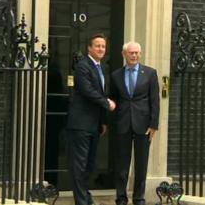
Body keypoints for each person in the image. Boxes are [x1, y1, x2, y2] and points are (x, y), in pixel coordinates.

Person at [66, 33, 116, 205]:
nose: (101, 48)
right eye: (97, 45)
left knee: (89, 165)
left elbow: (100, 92)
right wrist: (107, 103)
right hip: (80, 124)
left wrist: (103, 121)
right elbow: (88, 91)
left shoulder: (100, 68)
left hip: (94, 125)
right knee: (79, 165)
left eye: (103, 46)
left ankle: (85, 196)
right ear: (89, 48)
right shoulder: (83, 66)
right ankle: (82, 201)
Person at [110, 42, 160, 205]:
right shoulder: (116, 75)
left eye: (137, 53)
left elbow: (155, 100)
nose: (134, 56)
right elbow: (113, 100)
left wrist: (154, 124)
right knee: (122, 164)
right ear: (124, 54)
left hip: (144, 125)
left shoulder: (150, 73)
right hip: (122, 123)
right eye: (131, 53)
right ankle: (121, 197)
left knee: (141, 164)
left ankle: (139, 198)